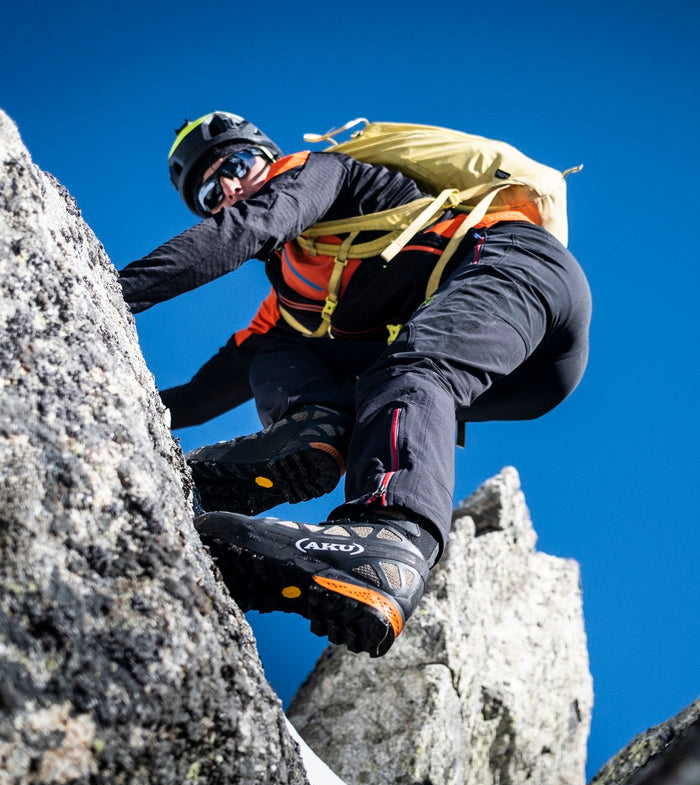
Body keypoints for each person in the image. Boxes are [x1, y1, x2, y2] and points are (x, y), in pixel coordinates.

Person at [119, 111, 592, 658]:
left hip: (517, 267)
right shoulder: (296, 299)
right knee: (276, 353)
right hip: (525, 378)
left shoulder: (321, 172)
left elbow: (248, 229)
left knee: (410, 370)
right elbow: (205, 393)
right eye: (208, 193)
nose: (226, 188)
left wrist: (106, 290)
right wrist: (126, 410)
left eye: (236, 165)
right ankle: (308, 434)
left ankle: (389, 537)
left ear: (268, 158)